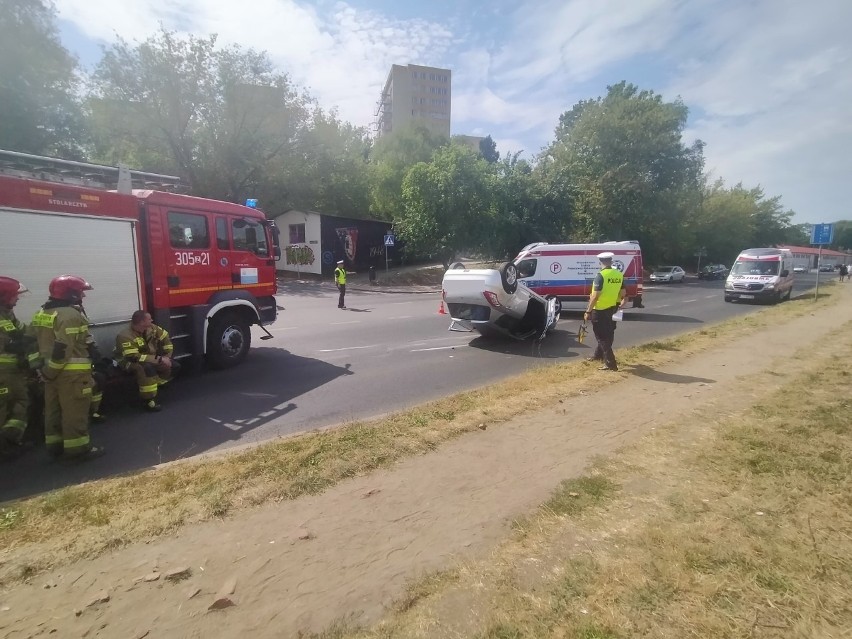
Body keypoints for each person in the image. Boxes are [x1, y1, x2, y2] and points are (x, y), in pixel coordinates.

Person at [30, 275, 105, 461]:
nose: (83, 297)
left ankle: (55, 446)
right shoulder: (70, 315)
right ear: (71, 294)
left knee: (53, 410)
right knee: (75, 411)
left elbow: (30, 342)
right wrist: (52, 371)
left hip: (50, 373)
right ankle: (78, 450)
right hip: (71, 374)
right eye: (80, 292)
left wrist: (43, 371)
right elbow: (63, 348)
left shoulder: (41, 313)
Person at [0, 277, 38, 457]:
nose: (17, 299)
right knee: (5, 406)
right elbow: (10, 342)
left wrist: (40, 326)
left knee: (19, 402)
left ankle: (10, 439)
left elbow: (23, 331)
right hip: (4, 372)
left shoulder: (7, 314)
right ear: (4, 296)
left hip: (12, 371)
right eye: (14, 295)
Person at [114, 310, 179, 412]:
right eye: (149, 319)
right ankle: (148, 400)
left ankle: (156, 383)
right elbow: (134, 357)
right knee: (145, 368)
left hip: (149, 358)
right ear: (141, 322)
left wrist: (167, 356)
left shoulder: (152, 328)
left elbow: (165, 338)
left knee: (174, 366)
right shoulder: (125, 336)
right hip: (128, 361)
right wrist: (160, 359)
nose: (152, 320)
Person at [583, 252, 627, 372]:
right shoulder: (618, 274)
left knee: (601, 336)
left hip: (600, 309)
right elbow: (623, 294)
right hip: (613, 308)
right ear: (611, 262)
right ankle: (598, 355)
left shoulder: (600, 276)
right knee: (609, 332)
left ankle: (610, 363)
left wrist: (588, 311)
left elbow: (595, 296)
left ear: (600, 262)